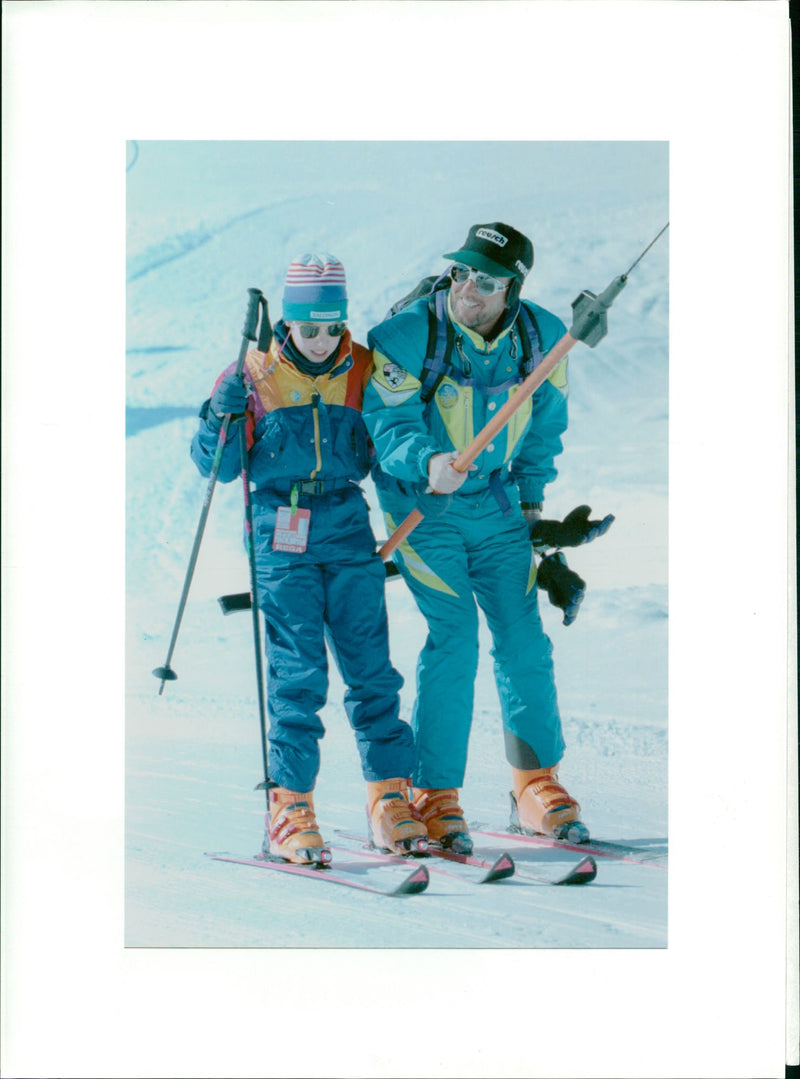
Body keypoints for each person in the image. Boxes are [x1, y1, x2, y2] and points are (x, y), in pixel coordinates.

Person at [362, 222, 612, 853]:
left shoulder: (544, 338)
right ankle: (434, 793)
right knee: (454, 637)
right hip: (423, 505)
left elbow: (545, 425)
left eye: (488, 279)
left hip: (497, 504)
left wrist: (531, 505)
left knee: (523, 637)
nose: (470, 288)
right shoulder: (405, 336)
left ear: (513, 287)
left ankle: (534, 784)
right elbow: (387, 425)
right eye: (462, 272)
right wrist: (428, 462)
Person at [190, 254, 428, 865]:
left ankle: (389, 796)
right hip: (279, 531)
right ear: (287, 323)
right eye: (309, 328)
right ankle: (290, 805)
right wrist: (222, 411)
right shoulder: (254, 374)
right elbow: (217, 467)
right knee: (298, 676)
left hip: (348, 525)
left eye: (332, 327)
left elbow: (395, 438)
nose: (322, 341)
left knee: (371, 668)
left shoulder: (365, 369)